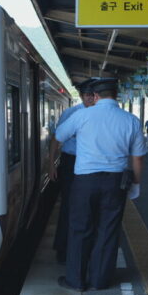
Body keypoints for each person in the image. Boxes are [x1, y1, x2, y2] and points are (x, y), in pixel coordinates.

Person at [54, 78, 148, 291]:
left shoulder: (82, 115)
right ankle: (100, 280)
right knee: (108, 230)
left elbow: (59, 136)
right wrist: (136, 183)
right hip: (115, 182)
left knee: (80, 228)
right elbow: (138, 158)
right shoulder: (131, 120)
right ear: (116, 95)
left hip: (84, 181)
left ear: (95, 96)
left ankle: (75, 280)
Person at [49, 79, 97, 262]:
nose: (90, 98)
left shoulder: (100, 114)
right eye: (87, 95)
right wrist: (51, 165)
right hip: (71, 162)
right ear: (81, 96)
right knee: (68, 206)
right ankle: (63, 250)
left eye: (93, 95)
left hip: (92, 163)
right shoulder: (71, 113)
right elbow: (56, 139)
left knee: (91, 207)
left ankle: (86, 250)